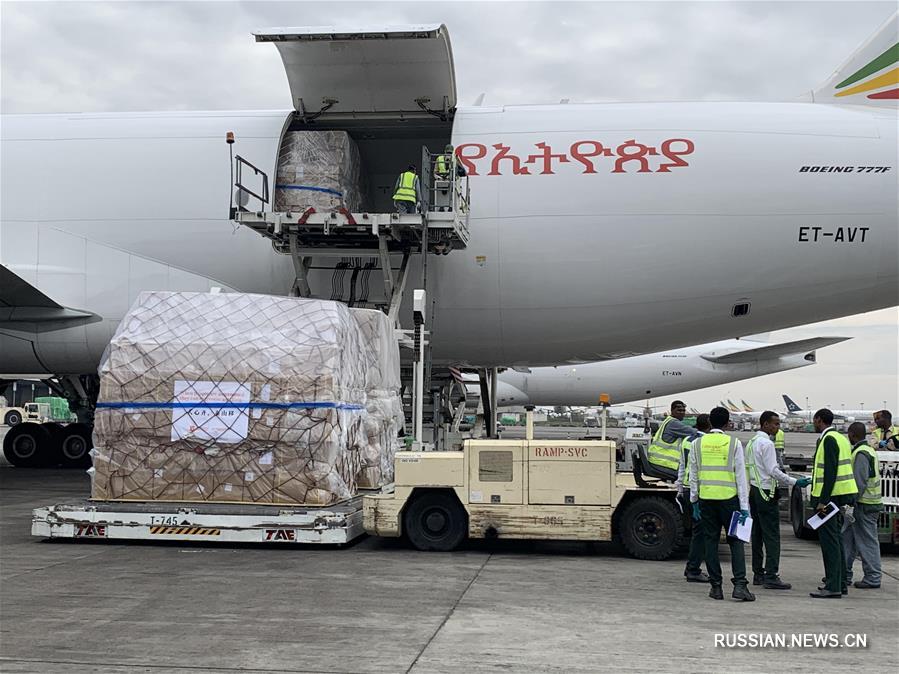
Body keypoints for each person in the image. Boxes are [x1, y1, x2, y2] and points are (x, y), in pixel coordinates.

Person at [689, 406, 754, 601]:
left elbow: (693, 475)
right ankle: (740, 586)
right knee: (735, 542)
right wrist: (744, 507)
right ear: (727, 423)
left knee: (710, 542)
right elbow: (741, 477)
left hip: (706, 500)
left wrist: (694, 501)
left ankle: (716, 587)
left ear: (709, 422)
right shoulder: (733, 443)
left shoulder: (697, 444)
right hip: (729, 500)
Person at [746, 411, 811, 590]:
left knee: (757, 534)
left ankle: (758, 573)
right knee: (772, 536)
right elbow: (773, 471)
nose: (778, 427)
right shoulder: (766, 444)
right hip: (766, 492)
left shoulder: (752, 443)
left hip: (754, 490)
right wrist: (794, 481)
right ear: (765, 424)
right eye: (775, 424)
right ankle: (771, 575)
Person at [809, 409, 858, 598]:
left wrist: (823, 500)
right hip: (840, 495)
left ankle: (833, 586)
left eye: (814, 421)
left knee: (830, 542)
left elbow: (829, 472)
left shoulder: (828, 440)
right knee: (836, 540)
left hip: (830, 498)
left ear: (818, 420)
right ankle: (840, 583)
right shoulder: (840, 438)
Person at [844, 421, 882, 589]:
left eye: (849, 434)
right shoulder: (869, 450)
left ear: (853, 434)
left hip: (864, 504)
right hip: (870, 502)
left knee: (867, 542)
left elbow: (860, 482)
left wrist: (851, 502)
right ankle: (844, 573)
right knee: (848, 539)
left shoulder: (860, 454)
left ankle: (873, 577)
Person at [676, 413, 711, 583]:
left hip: (687, 488)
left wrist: (679, 489)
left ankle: (693, 567)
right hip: (698, 490)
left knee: (697, 532)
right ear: (709, 426)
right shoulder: (704, 443)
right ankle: (693, 569)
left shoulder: (686, 441)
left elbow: (682, 465)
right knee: (701, 533)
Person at [647, 400, 699, 476]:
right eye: (679, 410)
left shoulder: (668, 420)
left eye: (683, 410)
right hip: (663, 462)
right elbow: (694, 433)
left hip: (657, 460)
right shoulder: (673, 423)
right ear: (672, 411)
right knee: (689, 475)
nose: (682, 413)